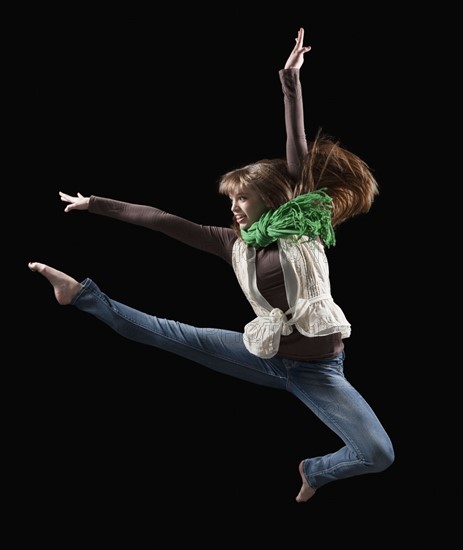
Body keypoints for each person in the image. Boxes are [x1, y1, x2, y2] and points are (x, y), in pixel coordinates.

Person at [29, 27, 394, 503]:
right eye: (231, 198)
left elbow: (298, 151)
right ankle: (79, 294)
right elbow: (162, 219)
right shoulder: (231, 243)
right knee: (162, 331)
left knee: (377, 452)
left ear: (271, 198)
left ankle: (315, 471)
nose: (235, 207)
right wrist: (95, 203)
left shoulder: (302, 221)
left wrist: (290, 82)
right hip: (265, 356)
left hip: (320, 370)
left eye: (244, 196)